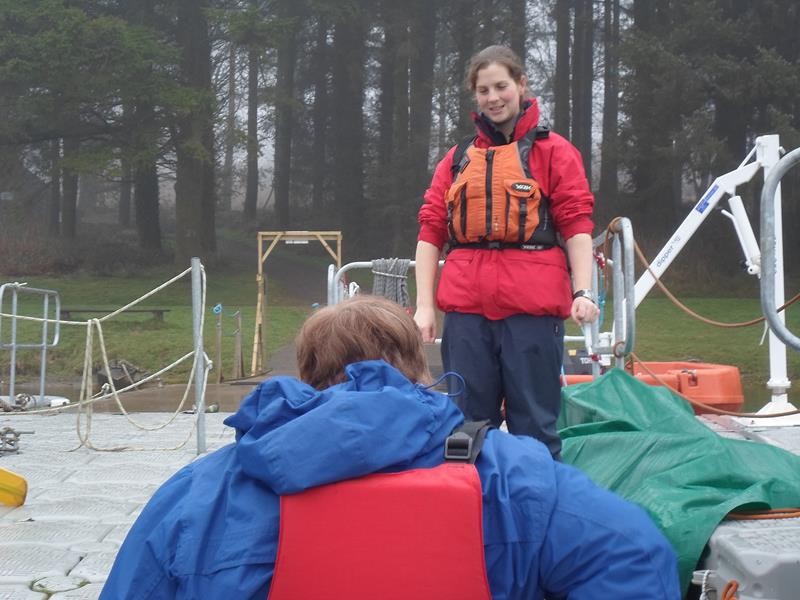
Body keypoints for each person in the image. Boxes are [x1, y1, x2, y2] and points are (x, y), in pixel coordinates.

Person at [100, 295, 679, 599]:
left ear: (307, 375)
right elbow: (635, 554)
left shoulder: (202, 491)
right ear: (414, 367)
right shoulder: (515, 474)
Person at [414, 45, 599, 459]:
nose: (493, 97)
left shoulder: (555, 152)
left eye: (501, 86)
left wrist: (583, 292)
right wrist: (425, 306)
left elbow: (576, 223)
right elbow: (430, 230)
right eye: (483, 90)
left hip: (531, 311)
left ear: (521, 84)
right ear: (474, 95)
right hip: (466, 312)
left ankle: (536, 509)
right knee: (465, 425)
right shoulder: (457, 159)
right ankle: (472, 513)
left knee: (534, 425)